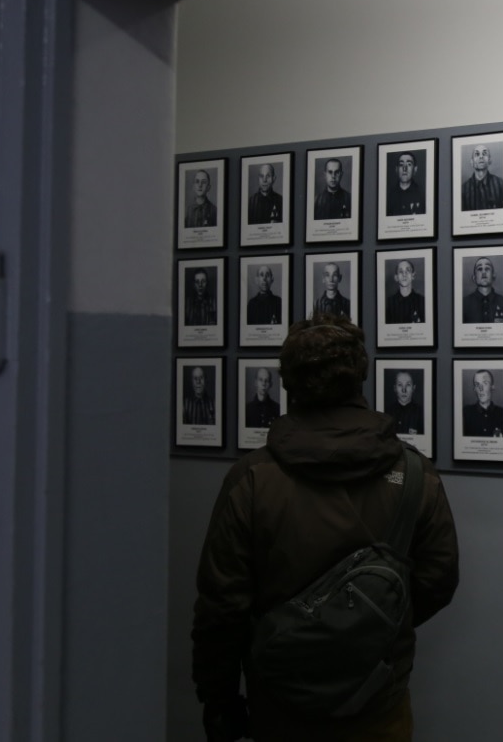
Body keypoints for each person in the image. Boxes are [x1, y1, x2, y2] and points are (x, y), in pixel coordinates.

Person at [192, 314, 459, 742]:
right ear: (360, 376)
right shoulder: (414, 475)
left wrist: (218, 699)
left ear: (289, 383)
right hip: (379, 699)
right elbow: (438, 580)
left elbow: (222, 607)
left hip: (280, 705)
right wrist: (366, 626)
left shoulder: (252, 479)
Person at [460, 369, 503, 437]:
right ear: (474, 388)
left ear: (492, 387)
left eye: (485, 383)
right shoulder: (465, 413)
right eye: (477, 384)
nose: (481, 388)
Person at [461, 257, 503, 323]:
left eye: (487, 268)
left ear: (493, 276)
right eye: (479, 269)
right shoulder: (463, 304)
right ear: (474, 278)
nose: (484, 272)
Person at [459, 144, 503, 211]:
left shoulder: (500, 184)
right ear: (472, 162)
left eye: (484, 154)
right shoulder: (463, 189)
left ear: (489, 160)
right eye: (477, 154)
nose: (481, 157)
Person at [385, 151, 426, 216]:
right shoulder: (388, 196)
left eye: (409, 164)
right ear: (396, 169)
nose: (404, 168)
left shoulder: (423, 195)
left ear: (415, 169)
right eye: (401, 165)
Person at [384, 259, 426, 324]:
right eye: (400, 271)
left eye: (408, 270)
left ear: (413, 275)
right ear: (396, 277)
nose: (404, 274)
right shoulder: (389, 302)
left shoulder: (422, 301)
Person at [385, 370, 424, 435]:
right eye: (400, 385)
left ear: (413, 388)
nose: (404, 390)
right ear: (395, 388)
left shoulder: (421, 413)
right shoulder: (387, 412)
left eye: (408, 385)